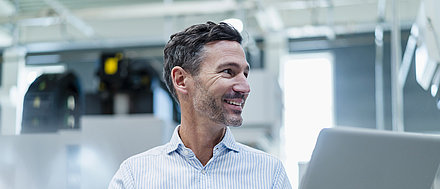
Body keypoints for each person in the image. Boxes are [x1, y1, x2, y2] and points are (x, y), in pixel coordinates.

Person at [108, 21, 292, 189]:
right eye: (228, 71)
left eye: (245, 74)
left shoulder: (269, 174)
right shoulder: (134, 177)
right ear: (181, 80)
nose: (245, 87)